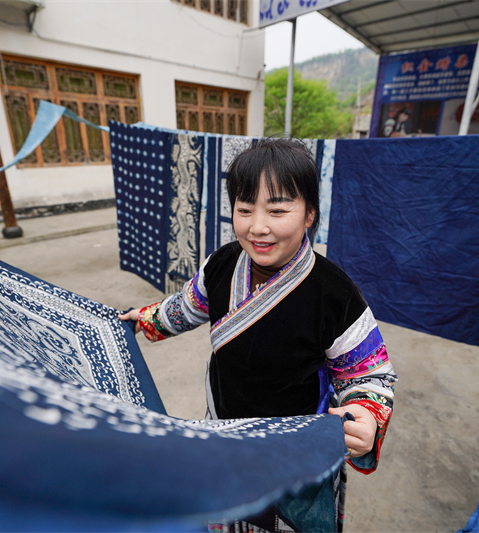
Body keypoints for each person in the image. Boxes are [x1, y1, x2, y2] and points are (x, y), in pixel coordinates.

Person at [119, 138, 397, 533]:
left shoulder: (334, 293)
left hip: (294, 456)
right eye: (244, 209)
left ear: (309, 215)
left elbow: (368, 374)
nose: (258, 227)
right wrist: (145, 318)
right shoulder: (221, 264)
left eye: (278, 210)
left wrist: (366, 415)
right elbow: (186, 307)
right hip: (224, 439)